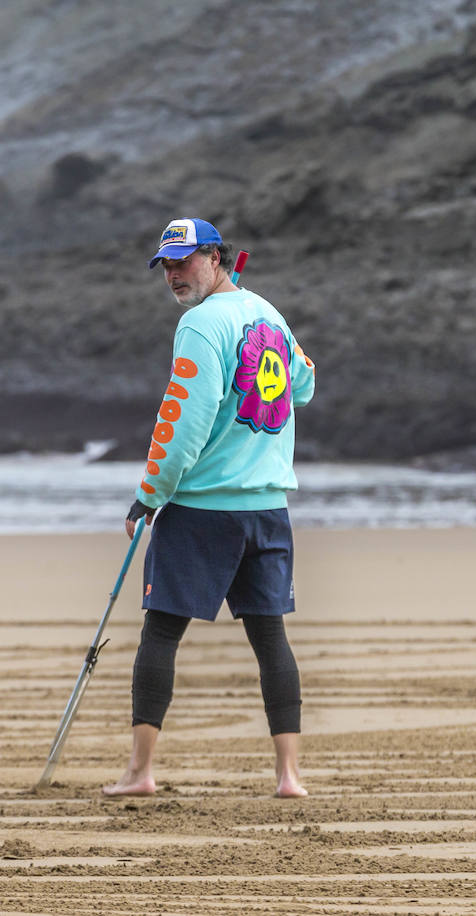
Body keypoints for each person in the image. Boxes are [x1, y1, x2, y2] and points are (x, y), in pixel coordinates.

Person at [102, 217, 315, 799]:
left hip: (202, 509)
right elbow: (303, 384)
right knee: (270, 637)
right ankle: (288, 776)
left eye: (185, 261)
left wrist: (150, 494)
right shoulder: (267, 312)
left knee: (161, 632)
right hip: (267, 508)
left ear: (216, 258)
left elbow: (182, 423)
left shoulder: (198, 324)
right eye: (166, 266)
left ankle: (140, 773)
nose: (174, 275)